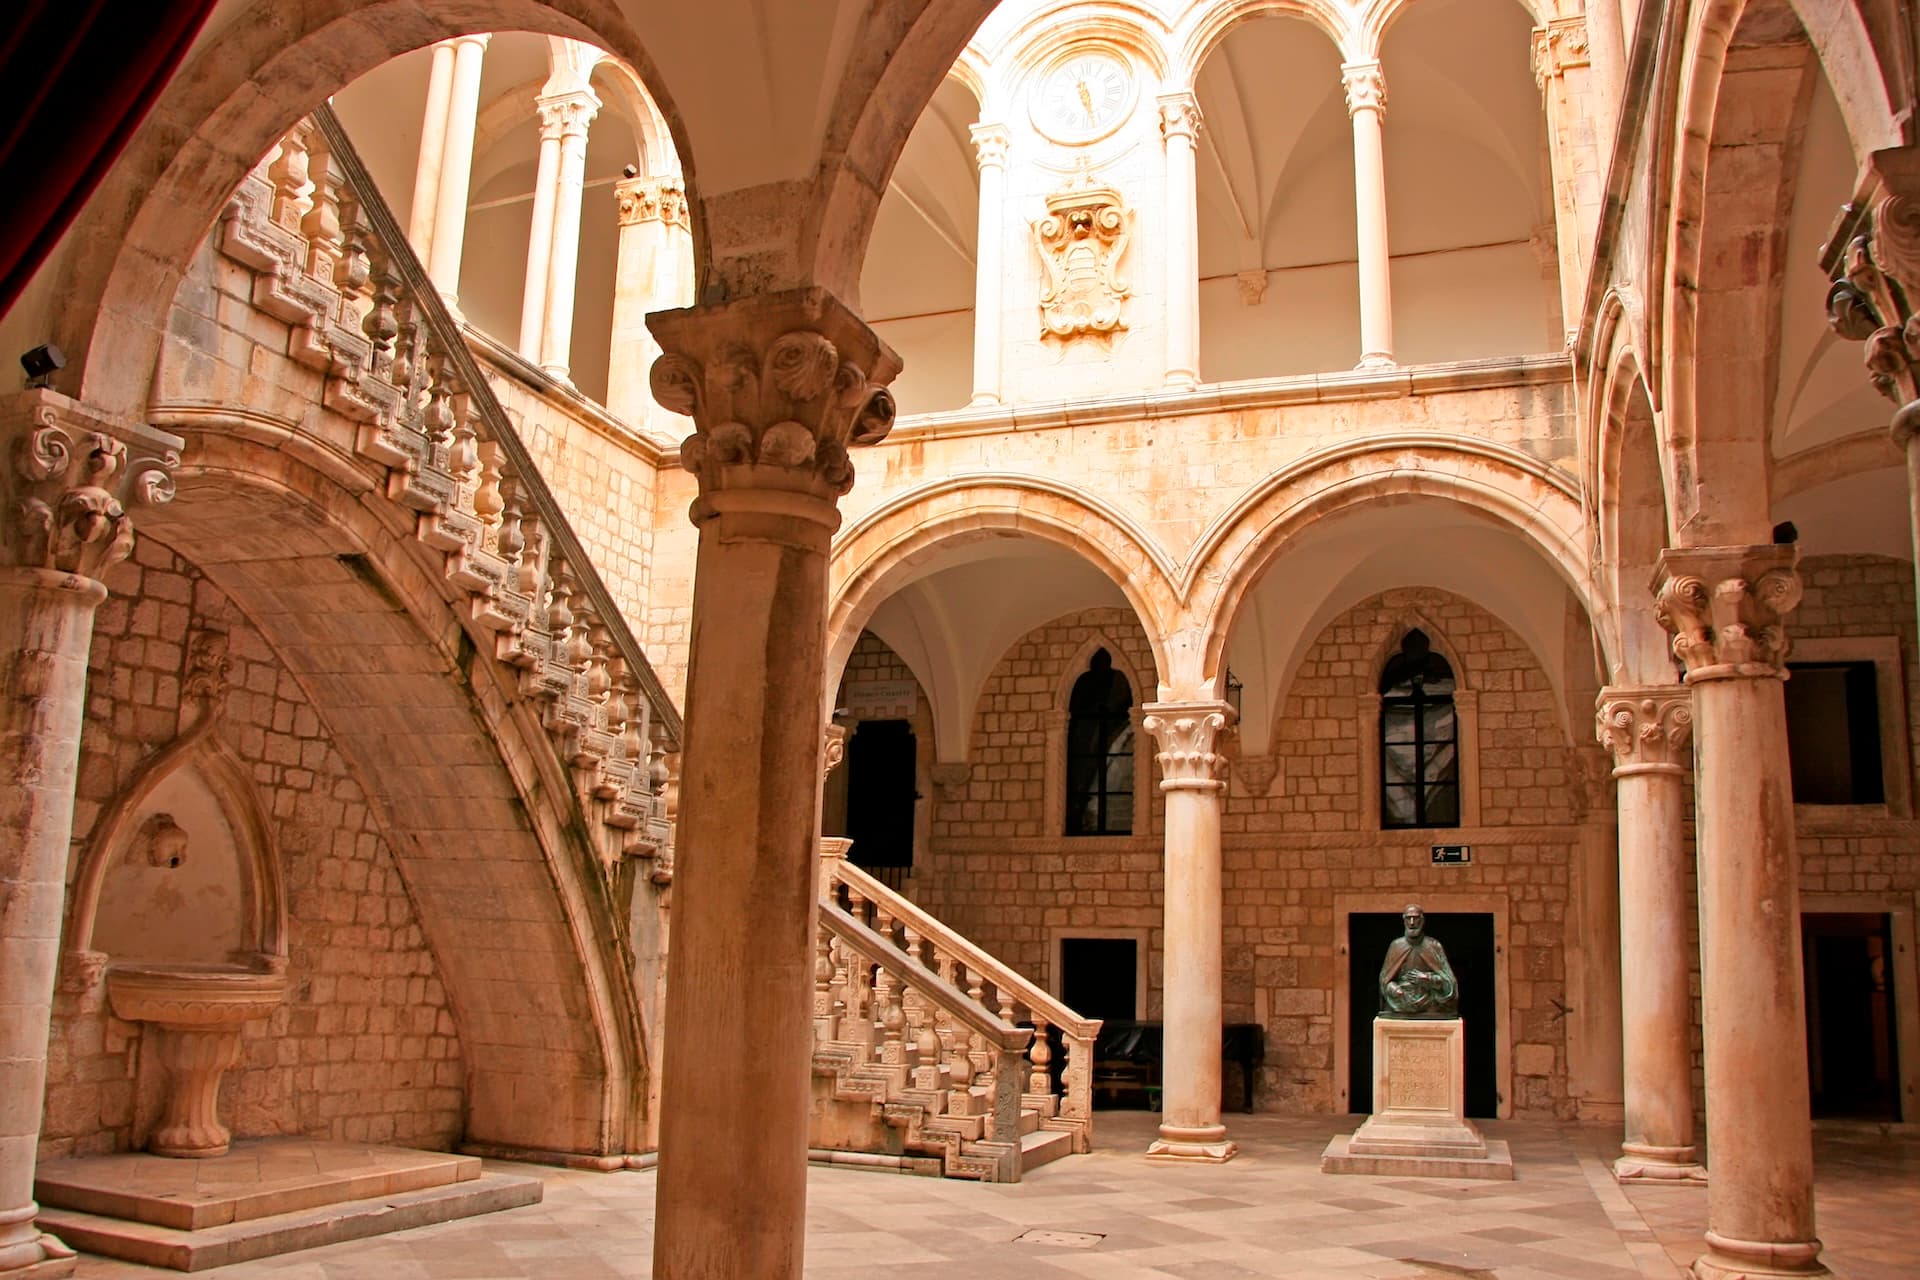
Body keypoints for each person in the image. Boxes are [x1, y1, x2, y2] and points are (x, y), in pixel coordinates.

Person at [1379, 904, 1458, 1017]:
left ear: (1422, 920)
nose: (1412, 922)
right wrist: (1395, 990)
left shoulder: (1433, 946)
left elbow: (1449, 983)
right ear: (1404, 920)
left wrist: (1429, 979)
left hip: (1429, 1002)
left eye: (1415, 918)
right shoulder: (1396, 946)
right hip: (1402, 1002)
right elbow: (1385, 981)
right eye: (1408, 918)